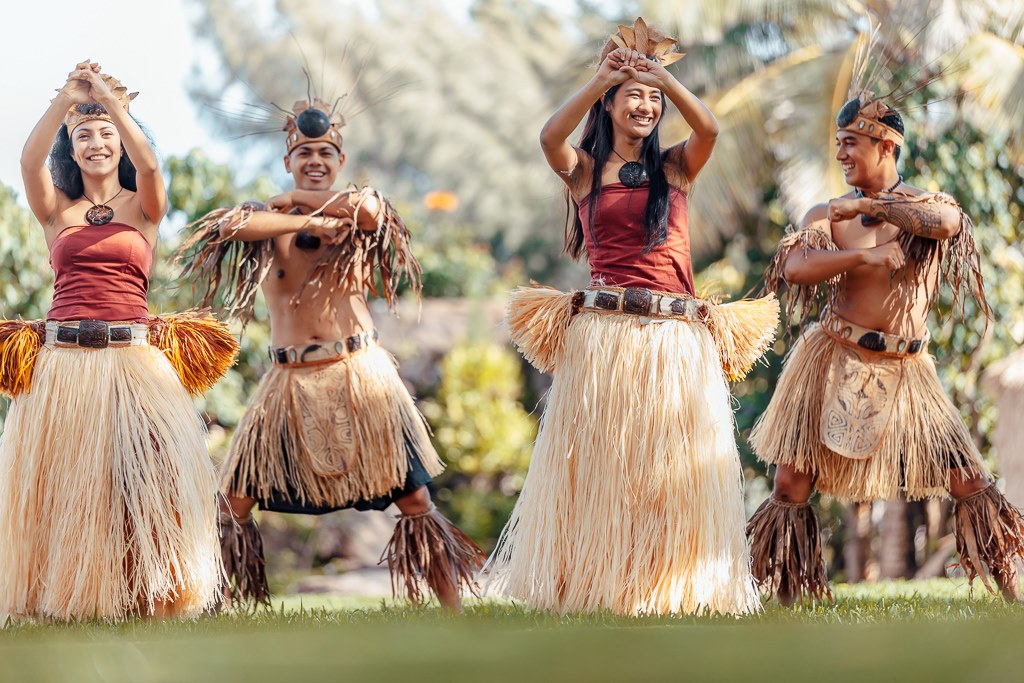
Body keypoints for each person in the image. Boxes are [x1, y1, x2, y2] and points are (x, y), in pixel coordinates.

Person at [481, 18, 778, 616]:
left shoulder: (675, 168)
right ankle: (597, 583)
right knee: (605, 467)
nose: (645, 105)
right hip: (604, 337)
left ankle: (671, 587)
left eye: (654, 100)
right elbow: (549, 136)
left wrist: (660, 75)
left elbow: (710, 127)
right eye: (633, 96)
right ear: (610, 106)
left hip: (674, 340)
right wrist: (602, 77)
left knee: (672, 468)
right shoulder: (585, 173)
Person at [178, 96, 484, 610]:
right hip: (288, 381)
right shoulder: (265, 216)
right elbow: (232, 226)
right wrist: (303, 223)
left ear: (340, 161)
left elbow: (368, 211)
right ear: (287, 161)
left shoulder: (357, 207)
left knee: (414, 498)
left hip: (358, 372)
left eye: (325, 152)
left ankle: (453, 611)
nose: (316, 161)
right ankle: (212, 606)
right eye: (305, 153)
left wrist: (304, 206)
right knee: (234, 501)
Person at [747, 88, 1024, 603]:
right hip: (831, 358)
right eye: (837, 143)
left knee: (968, 479)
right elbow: (796, 267)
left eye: (850, 142)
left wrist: (874, 205)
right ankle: (784, 600)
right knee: (790, 485)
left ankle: (1012, 598)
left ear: (886, 146)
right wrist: (862, 258)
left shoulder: (928, 207)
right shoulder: (827, 214)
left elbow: (946, 224)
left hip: (906, 370)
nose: (840, 154)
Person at [0, 61, 236, 621]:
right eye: (85, 136)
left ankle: (154, 592)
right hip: (63, 363)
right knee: (67, 489)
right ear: (73, 149)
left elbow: (151, 163)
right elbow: (29, 160)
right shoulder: (57, 211)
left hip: (133, 360)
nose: (97, 143)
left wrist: (112, 104)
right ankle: (73, 597)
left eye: (106, 134)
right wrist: (66, 101)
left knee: (150, 472)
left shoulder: (144, 206)